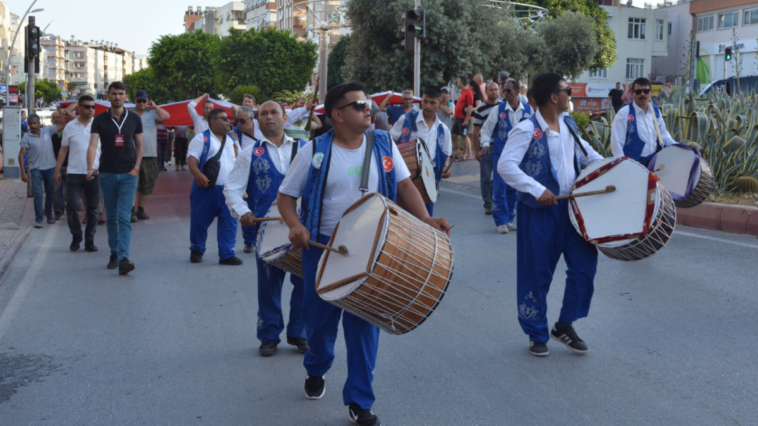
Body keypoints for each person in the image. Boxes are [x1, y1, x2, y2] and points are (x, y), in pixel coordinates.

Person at [277, 82, 450, 426]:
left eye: (368, 103)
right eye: (359, 105)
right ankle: (317, 366)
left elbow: (404, 186)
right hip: (324, 248)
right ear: (337, 115)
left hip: (375, 247)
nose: (368, 109)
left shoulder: (384, 143)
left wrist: (427, 219)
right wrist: (295, 225)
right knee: (319, 324)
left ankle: (360, 399)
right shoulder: (314, 151)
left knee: (364, 325)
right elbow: (286, 197)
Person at [498, 73, 604, 357]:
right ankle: (536, 332)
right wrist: (535, 189)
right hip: (539, 213)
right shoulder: (526, 129)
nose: (571, 93)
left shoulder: (568, 124)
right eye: (567, 90)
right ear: (554, 97)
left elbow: (587, 156)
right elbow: (505, 166)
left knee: (584, 267)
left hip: (571, 210)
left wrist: (615, 168)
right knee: (536, 274)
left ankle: (564, 324)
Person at [224, 101, 307, 356]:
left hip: (302, 229)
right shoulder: (250, 153)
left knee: (305, 282)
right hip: (266, 230)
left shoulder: (306, 149)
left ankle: (299, 332)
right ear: (257, 120)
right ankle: (269, 334)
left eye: (274, 113)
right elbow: (232, 189)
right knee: (269, 283)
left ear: (285, 118)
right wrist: (243, 211)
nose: (269, 117)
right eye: (264, 114)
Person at [88, 81, 143, 275]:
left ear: (126, 97)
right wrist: (90, 167)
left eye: (121, 93)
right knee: (111, 217)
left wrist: (136, 168)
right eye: (113, 94)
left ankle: (124, 258)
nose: (117, 97)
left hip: (129, 174)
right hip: (107, 173)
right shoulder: (99, 120)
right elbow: (93, 145)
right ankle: (114, 252)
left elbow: (140, 146)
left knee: (124, 217)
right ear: (108, 96)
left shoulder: (135, 118)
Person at [187, 108, 242, 266]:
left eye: (228, 119)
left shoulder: (233, 140)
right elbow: (192, 159)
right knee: (199, 221)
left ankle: (227, 254)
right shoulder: (201, 139)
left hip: (229, 190)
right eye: (224, 119)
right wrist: (197, 174)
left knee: (230, 222)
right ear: (213, 121)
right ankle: (197, 249)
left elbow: (241, 162)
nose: (228, 122)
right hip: (206, 190)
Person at [389, 85, 453, 216]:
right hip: (406, 177)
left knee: (426, 217)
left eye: (432, 103)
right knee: (404, 216)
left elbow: (446, 153)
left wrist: (445, 168)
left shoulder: (443, 130)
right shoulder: (406, 119)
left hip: (430, 179)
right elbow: (389, 140)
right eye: (425, 101)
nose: (428, 106)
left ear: (440, 103)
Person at [480, 79, 533, 235]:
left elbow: (536, 130)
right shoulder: (498, 110)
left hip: (521, 156)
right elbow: (486, 130)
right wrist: (485, 144)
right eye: (503, 90)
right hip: (501, 155)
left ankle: (510, 219)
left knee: (514, 188)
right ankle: (500, 221)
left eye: (508, 90)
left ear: (517, 92)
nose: (504, 93)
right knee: (500, 187)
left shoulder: (529, 110)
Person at [55, 96, 101, 252]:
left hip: (94, 172)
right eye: (87, 106)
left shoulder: (98, 124)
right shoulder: (70, 126)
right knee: (72, 205)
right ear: (78, 108)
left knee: (93, 208)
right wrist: (57, 170)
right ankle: (76, 236)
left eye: (93, 107)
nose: (91, 109)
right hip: (74, 173)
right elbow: (63, 149)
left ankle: (89, 240)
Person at [610, 77, 676, 166]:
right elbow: (616, 143)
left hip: (654, 162)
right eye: (638, 92)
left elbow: (663, 134)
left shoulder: (655, 111)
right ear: (632, 94)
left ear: (651, 93)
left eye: (646, 91)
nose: (642, 94)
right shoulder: (624, 113)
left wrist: (678, 146)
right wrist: (623, 166)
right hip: (632, 165)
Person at [132, 90, 170, 222]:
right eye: (139, 101)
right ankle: (131, 211)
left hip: (150, 154)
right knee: (132, 184)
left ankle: (140, 209)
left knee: (147, 183)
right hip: (132, 155)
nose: (142, 103)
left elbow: (166, 116)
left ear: (147, 101)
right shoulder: (129, 114)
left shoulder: (153, 114)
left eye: (144, 101)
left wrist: (155, 107)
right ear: (134, 101)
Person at [19, 114, 58, 228]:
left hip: (50, 168)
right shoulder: (27, 137)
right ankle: (39, 219)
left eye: (34, 123)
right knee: (38, 194)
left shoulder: (47, 131)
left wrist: (60, 111)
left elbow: (61, 125)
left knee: (50, 193)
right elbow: (21, 155)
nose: (32, 126)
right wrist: (23, 172)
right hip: (36, 169)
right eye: (30, 123)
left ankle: (49, 214)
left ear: (39, 123)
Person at [471, 82, 501, 215]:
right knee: (486, 178)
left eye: (496, 89)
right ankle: (488, 204)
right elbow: (476, 131)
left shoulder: (503, 107)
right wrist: (477, 150)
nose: (494, 92)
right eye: (491, 90)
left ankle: (497, 201)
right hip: (486, 148)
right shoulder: (480, 109)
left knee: (500, 177)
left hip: (501, 148)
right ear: (486, 92)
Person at [51, 109, 70, 220]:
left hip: (69, 165)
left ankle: (71, 209)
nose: (56, 119)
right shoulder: (49, 132)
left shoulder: (68, 130)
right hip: (55, 166)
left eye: (58, 117)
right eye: (54, 118)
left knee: (70, 190)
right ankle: (58, 210)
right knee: (56, 190)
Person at [452, 76, 474, 162]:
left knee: (464, 136)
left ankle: (464, 155)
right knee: (453, 135)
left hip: (463, 118)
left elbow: (470, 106)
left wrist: (466, 119)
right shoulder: (462, 92)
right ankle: (458, 153)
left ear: (461, 83)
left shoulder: (468, 92)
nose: (457, 83)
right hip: (457, 118)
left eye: (458, 82)